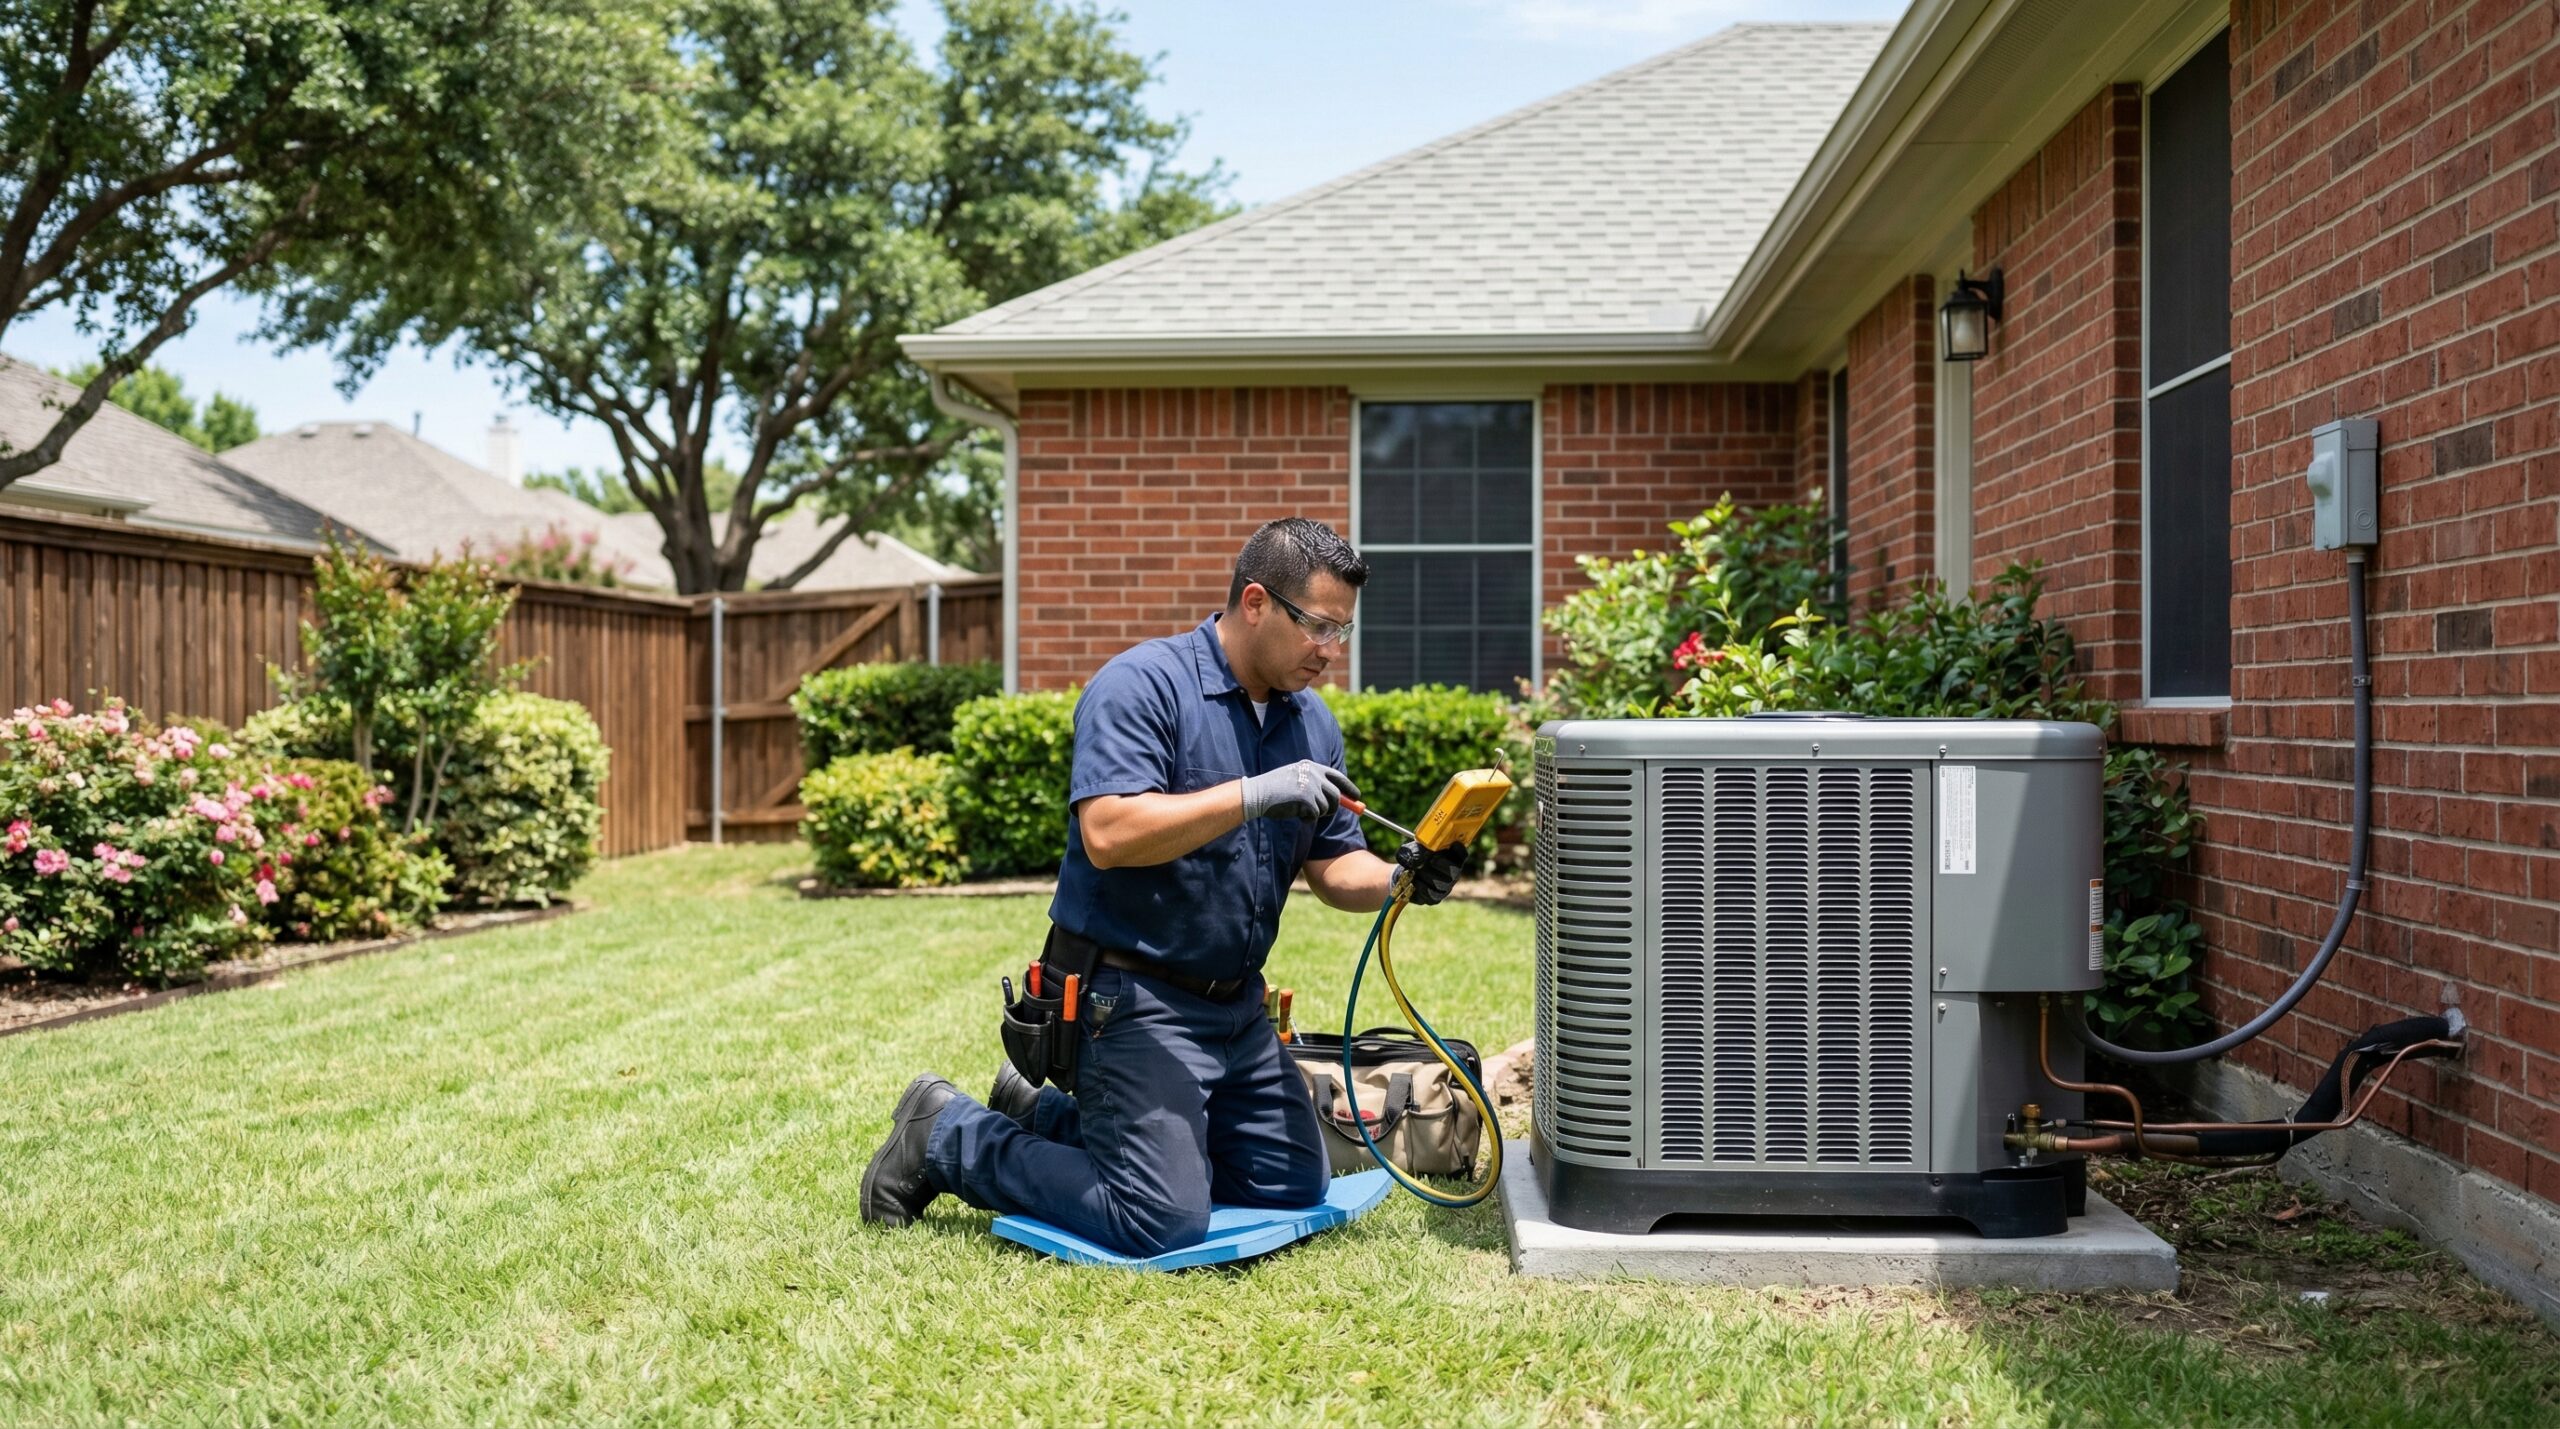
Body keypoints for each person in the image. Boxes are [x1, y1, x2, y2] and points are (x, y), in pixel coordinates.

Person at [857, 517, 1471, 1255]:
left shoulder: (1311, 725)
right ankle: (947, 1134)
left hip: (1236, 1009)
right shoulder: (1142, 685)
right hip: (1129, 998)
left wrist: (1404, 878)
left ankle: (1041, 1113)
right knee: (1157, 1216)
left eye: (1343, 630)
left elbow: (1334, 866)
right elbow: (1108, 834)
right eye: (1318, 627)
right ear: (1255, 601)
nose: (1331, 651)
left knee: (1290, 1183)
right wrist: (1252, 793)